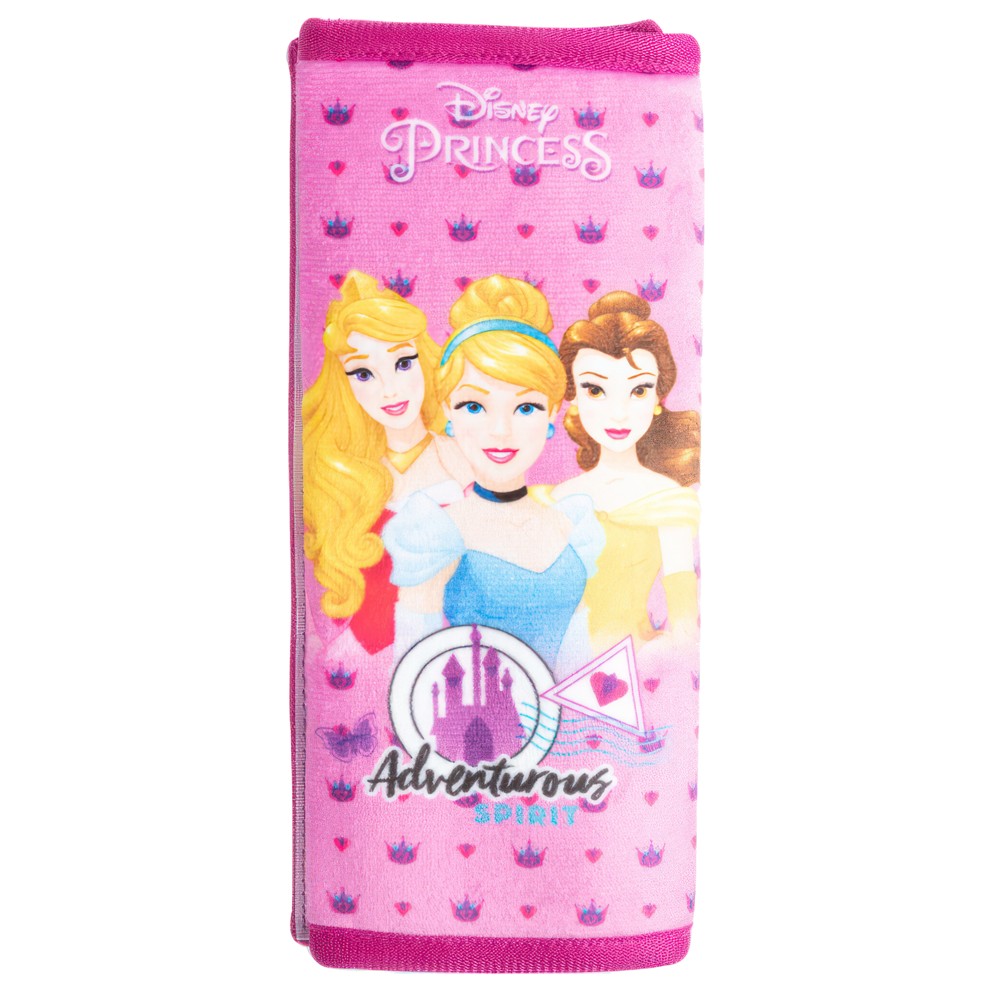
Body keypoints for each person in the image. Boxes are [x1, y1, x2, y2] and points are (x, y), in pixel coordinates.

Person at [383, 275, 603, 668]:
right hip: (467, 706)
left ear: (553, 413)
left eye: (525, 408)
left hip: (566, 709)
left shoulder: (569, 525)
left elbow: (579, 663)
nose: (500, 431)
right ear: (447, 410)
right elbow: (412, 671)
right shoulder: (437, 533)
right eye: (474, 406)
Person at [302, 271, 469, 655]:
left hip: (455, 646)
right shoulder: (339, 473)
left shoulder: (463, 457)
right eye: (364, 373)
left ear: (424, 360)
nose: (390, 389)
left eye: (404, 363)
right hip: (364, 655)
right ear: (343, 384)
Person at [550, 291, 701, 653]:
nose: (618, 413)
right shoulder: (558, 499)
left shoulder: (668, 500)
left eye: (639, 390)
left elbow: (684, 621)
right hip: (558, 662)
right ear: (573, 395)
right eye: (595, 390)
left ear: (658, 398)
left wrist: (662, 658)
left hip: (636, 661)